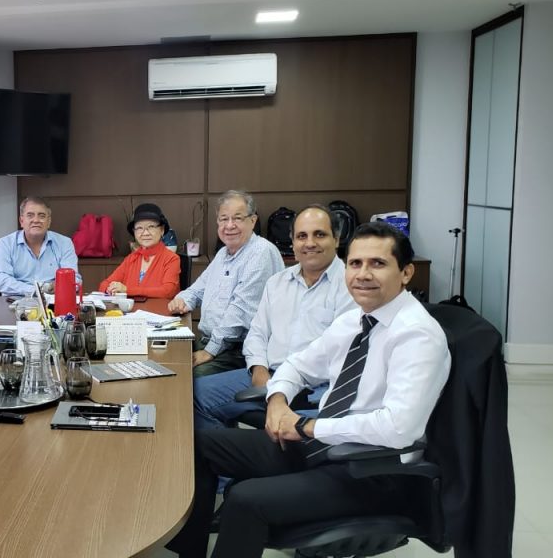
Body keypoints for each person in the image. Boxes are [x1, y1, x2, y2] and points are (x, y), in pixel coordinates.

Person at [168, 222, 451, 558]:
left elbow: (398, 428)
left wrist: (307, 426)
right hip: (323, 446)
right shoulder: (355, 320)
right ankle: (190, 551)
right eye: (355, 263)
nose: (363, 274)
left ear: (405, 273)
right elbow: (298, 365)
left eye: (378, 263)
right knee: (198, 446)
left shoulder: (418, 335)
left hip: (372, 470)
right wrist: (277, 401)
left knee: (246, 499)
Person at [193, 205, 356, 432]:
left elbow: (338, 354)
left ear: (336, 239)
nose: (309, 243)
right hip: (266, 375)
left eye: (319, 234)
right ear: (293, 242)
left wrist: (284, 385)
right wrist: (258, 369)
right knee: (189, 396)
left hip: (315, 387)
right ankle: (230, 447)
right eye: (302, 236)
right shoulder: (277, 283)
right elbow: (257, 333)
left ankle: (247, 447)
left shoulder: (352, 286)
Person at [168, 190, 284, 377]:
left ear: (252, 220)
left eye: (237, 218)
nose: (229, 225)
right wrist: (182, 300)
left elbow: (240, 311)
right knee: (167, 358)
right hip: (213, 341)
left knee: (186, 378)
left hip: (239, 350)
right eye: (224, 219)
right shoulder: (223, 253)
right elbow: (197, 289)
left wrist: (210, 351)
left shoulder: (261, 252)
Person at [0, 196, 80, 296]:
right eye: (30, 215)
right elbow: (1, 280)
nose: (36, 220)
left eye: (41, 216)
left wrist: (56, 288)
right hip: (15, 301)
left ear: (49, 222)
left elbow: (75, 280)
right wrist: (38, 290)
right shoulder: (5, 244)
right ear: (21, 221)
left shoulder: (64, 243)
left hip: (53, 301)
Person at [99, 203, 181, 299]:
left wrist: (127, 290)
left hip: (159, 308)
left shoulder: (172, 259)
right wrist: (110, 289)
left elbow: (168, 291)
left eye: (151, 227)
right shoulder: (131, 258)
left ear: (162, 230)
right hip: (130, 309)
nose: (145, 233)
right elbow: (104, 284)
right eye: (139, 228)